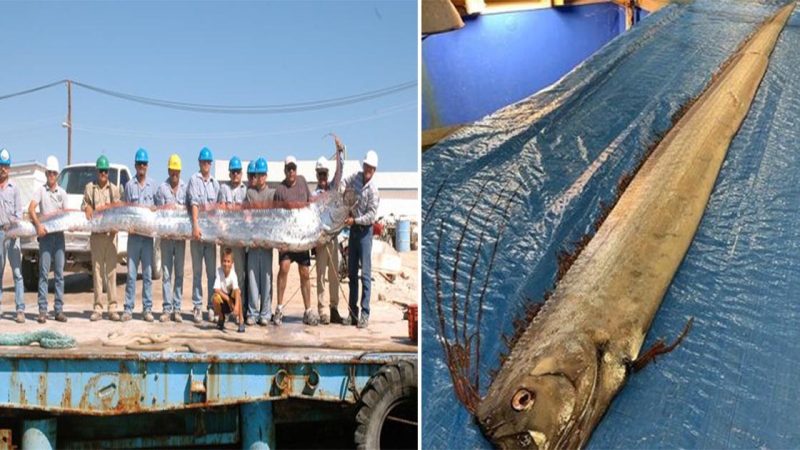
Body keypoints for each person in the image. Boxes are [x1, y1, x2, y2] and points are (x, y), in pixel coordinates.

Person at [273, 155, 314, 326]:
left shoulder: (303, 182)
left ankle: (308, 311)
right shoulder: (280, 190)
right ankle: (279, 308)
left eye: (293, 168)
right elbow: (274, 216)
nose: (291, 171)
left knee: (305, 273)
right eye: (288, 168)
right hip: (287, 238)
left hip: (302, 238)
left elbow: (311, 205)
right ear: (285, 170)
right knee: (284, 267)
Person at [341, 150, 380, 328]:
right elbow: (343, 182)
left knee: (365, 273)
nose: (367, 170)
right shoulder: (355, 177)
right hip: (353, 231)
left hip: (364, 232)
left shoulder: (373, 191)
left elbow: (371, 216)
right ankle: (352, 312)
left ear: (374, 169)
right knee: (351, 274)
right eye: (366, 167)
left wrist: (354, 220)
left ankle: (365, 312)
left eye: (371, 168)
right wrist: (343, 195)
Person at [28, 155, 68, 323]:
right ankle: (42, 310)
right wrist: (38, 225)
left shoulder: (63, 193)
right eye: (49, 173)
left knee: (59, 274)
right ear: (46, 174)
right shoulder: (40, 191)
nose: (51, 176)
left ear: (57, 175)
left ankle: (58, 310)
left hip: (59, 237)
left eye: (54, 173)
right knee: (44, 274)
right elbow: (31, 209)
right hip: (45, 237)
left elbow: (67, 215)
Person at [83, 155, 122, 321]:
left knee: (112, 272)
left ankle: (112, 307)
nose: (103, 173)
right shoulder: (89, 188)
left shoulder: (114, 189)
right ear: (97, 171)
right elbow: (84, 205)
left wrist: (116, 226)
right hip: (97, 237)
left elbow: (119, 209)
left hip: (111, 236)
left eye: (105, 171)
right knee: (97, 273)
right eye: (101, 170)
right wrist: (88, 207)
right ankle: (98, 308)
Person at [187, 147, 220, 324]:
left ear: (211, 164)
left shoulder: (216, 184)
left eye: (208, 162)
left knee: (211, 274)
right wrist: (195, 225)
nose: (206, 164)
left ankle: (211, 306)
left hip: (211, 236)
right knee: (197, 273)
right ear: (199, 163)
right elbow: (194, 203)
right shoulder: (194, 179)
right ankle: (197, 306)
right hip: (197, 234)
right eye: (203, 161)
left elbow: (218, 211)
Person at [122, 148, 157, 322]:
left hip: (148, 238)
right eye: (139, 163)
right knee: (131, 274)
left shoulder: (153, 186)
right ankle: (128, 308)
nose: (142, 166)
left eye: (144, 163)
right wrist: (128, 226)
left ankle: (147, 309)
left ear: (147, 166)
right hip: (134, 237)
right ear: (135, 165)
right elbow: (126, 210)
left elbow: (158, 210)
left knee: (148, 275)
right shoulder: (129, 186)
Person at [312, 147, 344, 324]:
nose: (323, 177)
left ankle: (334, 308)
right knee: (320, 276)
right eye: (320, 174)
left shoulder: (333, 190)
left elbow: (340, 173)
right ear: (317, 175)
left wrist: (340, 153)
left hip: (333, 239)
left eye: (325, 174)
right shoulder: (313, 196)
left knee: (334, 275)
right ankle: (322, 309)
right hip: (320, 240)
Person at [155, 154, 187, 322]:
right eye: (172, 171)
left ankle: (178, 308)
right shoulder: (162, 189)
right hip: (167, 238)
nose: (175, 174)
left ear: (180, 171)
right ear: (168, 170)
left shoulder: (186, 188)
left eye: (177, 171)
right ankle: (167, 309)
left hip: (180, 238)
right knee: (167, 274)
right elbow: (158, 214)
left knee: (179, 274)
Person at [244, 157, 274, 326]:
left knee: (267, 279)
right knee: (253, 277)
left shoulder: (272, 193)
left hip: (267, 243)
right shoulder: (250, 193)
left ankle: (266, 312)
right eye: (257, 174)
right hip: (254, 242)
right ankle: (252, 312)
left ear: (266, 175)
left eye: (262, 174)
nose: (260, 177)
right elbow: (247, 215)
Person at [218, 156, 248, 309]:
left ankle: (239, 306)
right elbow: (221, 210)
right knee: (225, 274)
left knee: (240, 275)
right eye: (233, 172)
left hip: (239, 240)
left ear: (241, 173)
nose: (235, 174)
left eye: (237, 172)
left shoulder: (245, 190)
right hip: (226, 240)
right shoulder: (223, 189)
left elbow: (247, 215)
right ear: (229, 173)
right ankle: (225, 308)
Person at [0, 149, 25, 323]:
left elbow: (19, 212)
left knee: (17, 272)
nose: (3, 169)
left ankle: (20, 309)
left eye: (6, 166)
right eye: (1, 165)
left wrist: (15, 228)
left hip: (13, 233)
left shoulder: (14, 189)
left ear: (10, 168)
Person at [212, 247, 245, 333]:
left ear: (232, 263)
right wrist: (228, 300)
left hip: (233, 300)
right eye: (224, 261)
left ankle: (241, 320)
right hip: (225, 300)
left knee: (238, 293)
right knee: (215, 298)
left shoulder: (233, 274)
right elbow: (216, 289)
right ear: (221, 261)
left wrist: (236, 306)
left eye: (228, 261)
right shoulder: (219, 271)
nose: (226, 264)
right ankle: (221, 318)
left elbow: (237, 290)